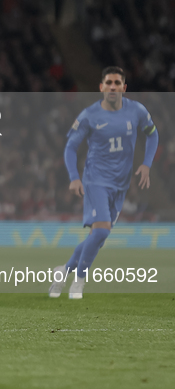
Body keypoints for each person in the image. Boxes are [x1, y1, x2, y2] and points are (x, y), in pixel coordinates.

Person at [49, 66, 159, 299]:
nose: (112, 86)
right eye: (108, 82)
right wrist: (74, 177)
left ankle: (63, 271)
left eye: (117, 83)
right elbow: (70, 147)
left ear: (124, 88)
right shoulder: (89, 115)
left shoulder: (137, 111)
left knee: (98, 237)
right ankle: (78, 281)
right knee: (100, 232)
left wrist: (147, 164)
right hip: (96, 180)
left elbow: (152, 133)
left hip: (121, 185)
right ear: (101, 87)